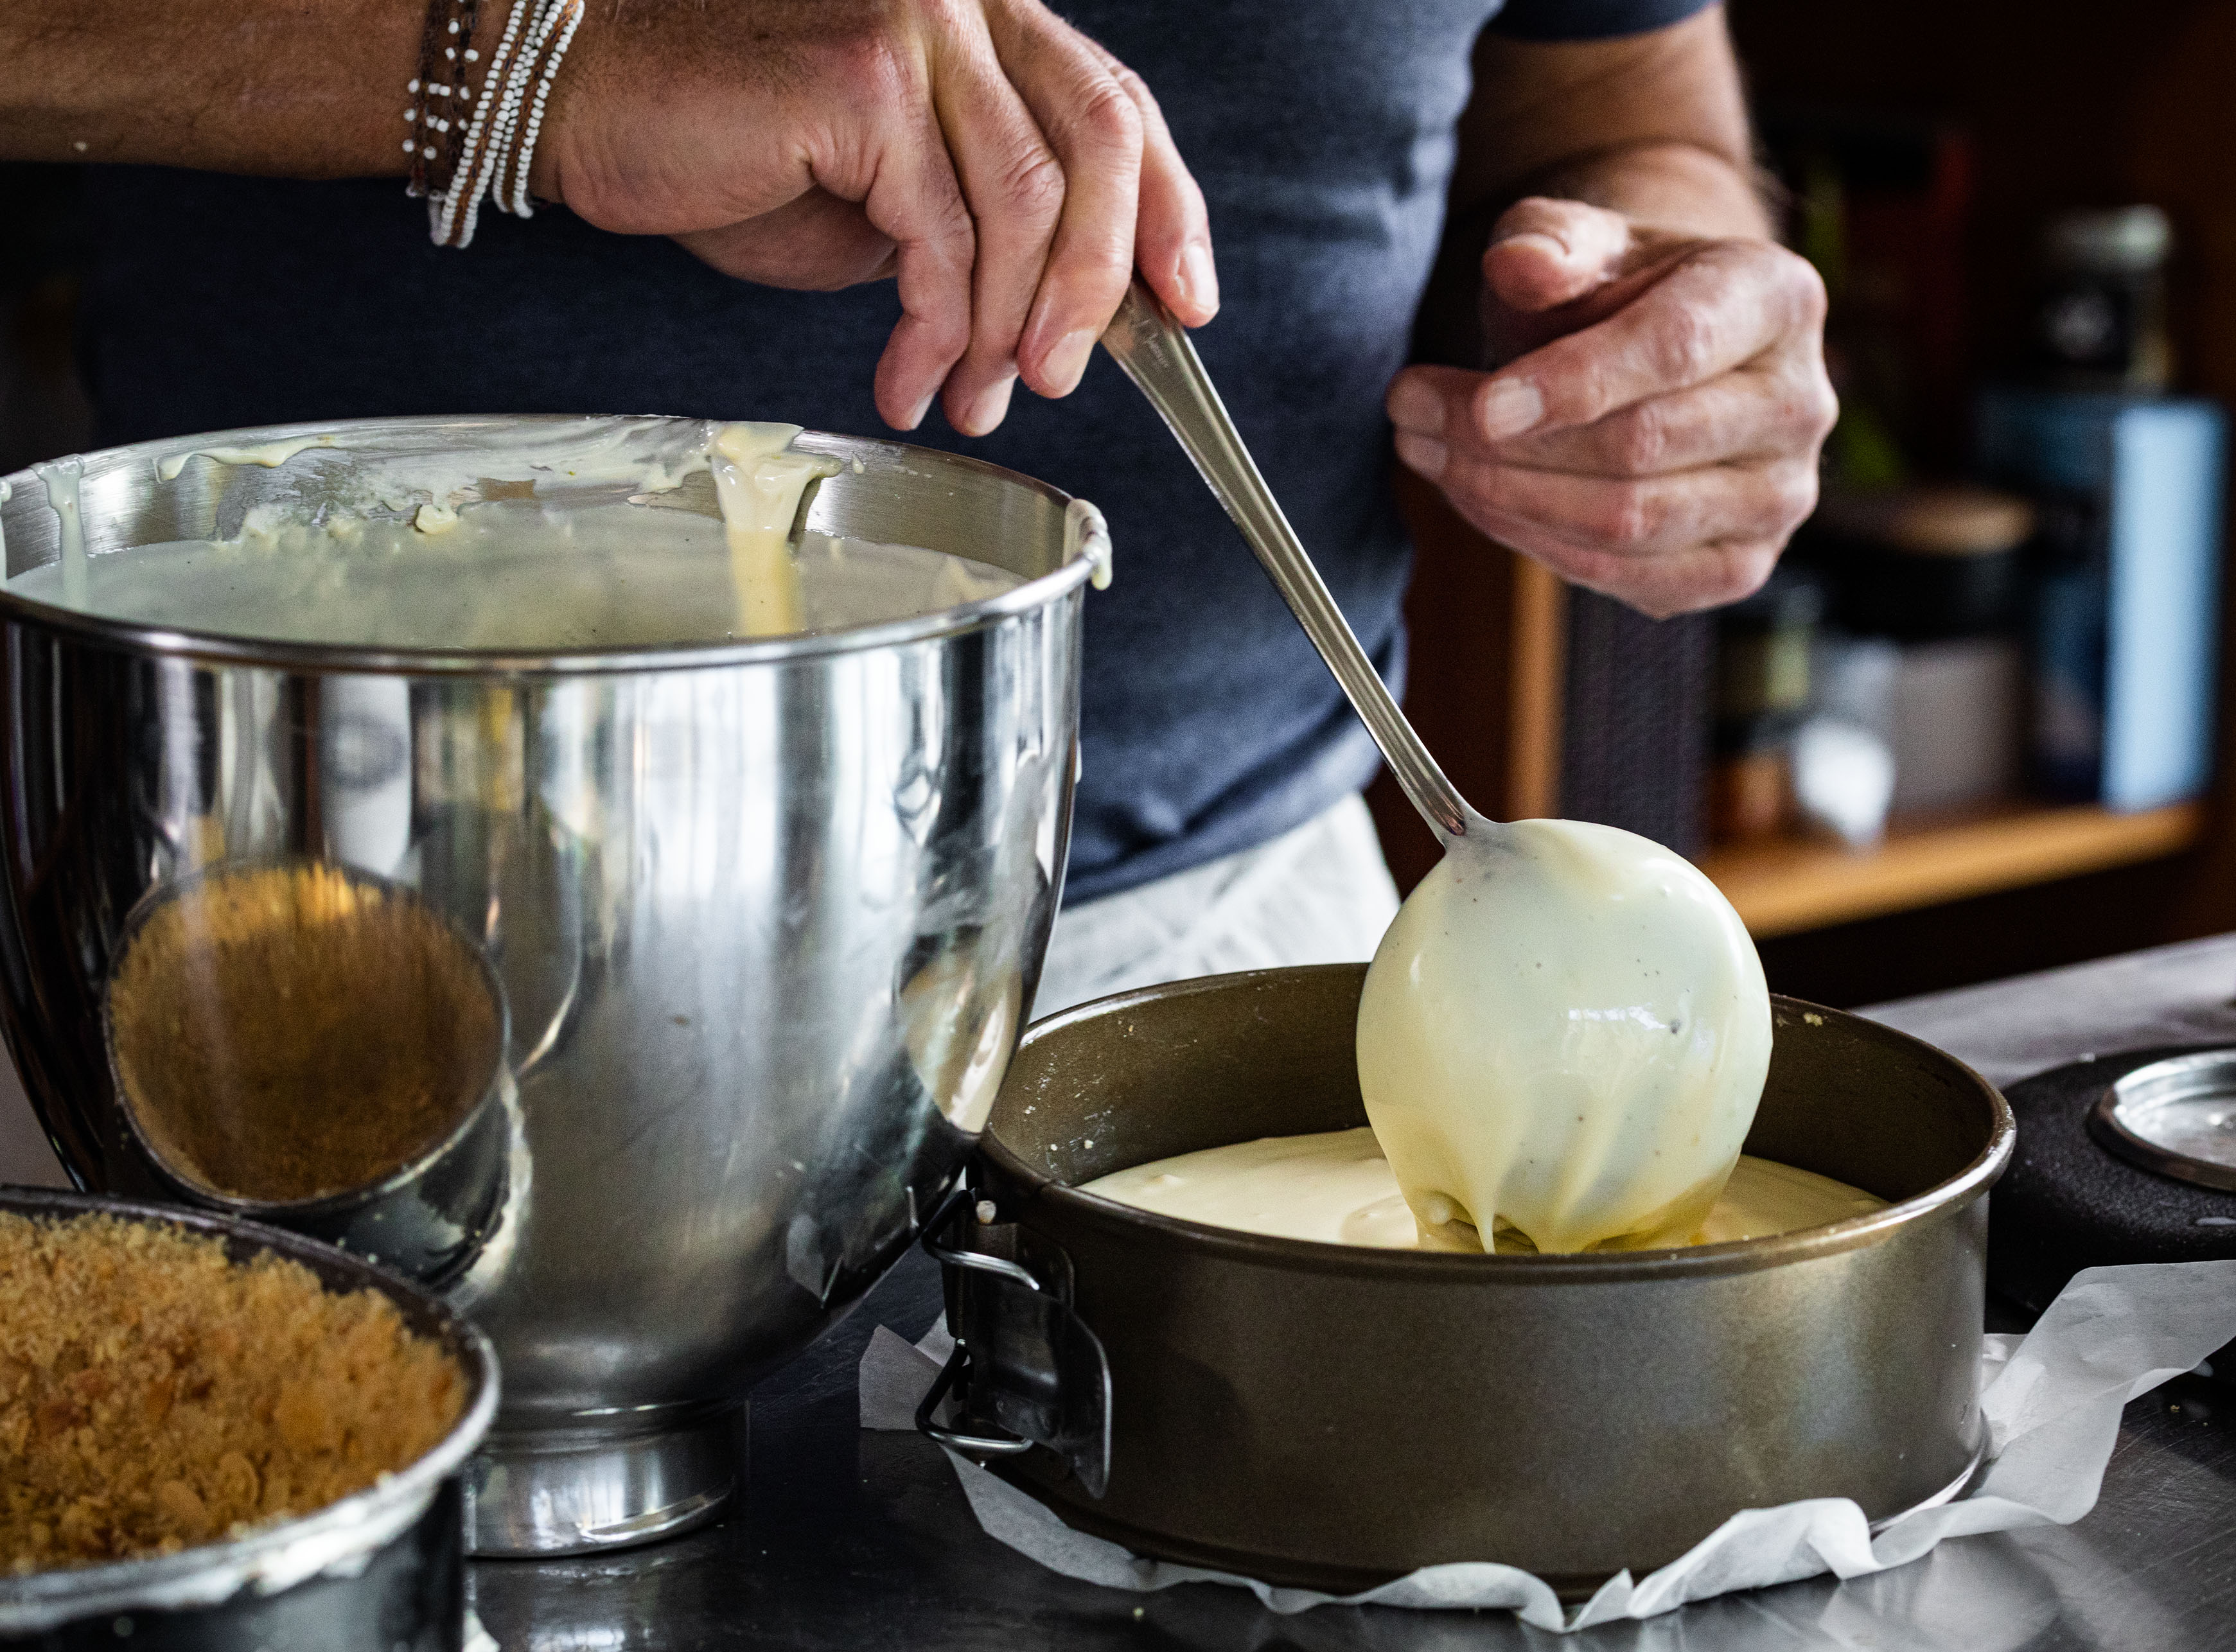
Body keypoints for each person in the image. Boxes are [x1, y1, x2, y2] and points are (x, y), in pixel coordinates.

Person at [0, 0, 1832, 1016]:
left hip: (1240, 930)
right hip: (311, 949)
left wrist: (1661, 278)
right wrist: (520, 64)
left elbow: (1607, 79)